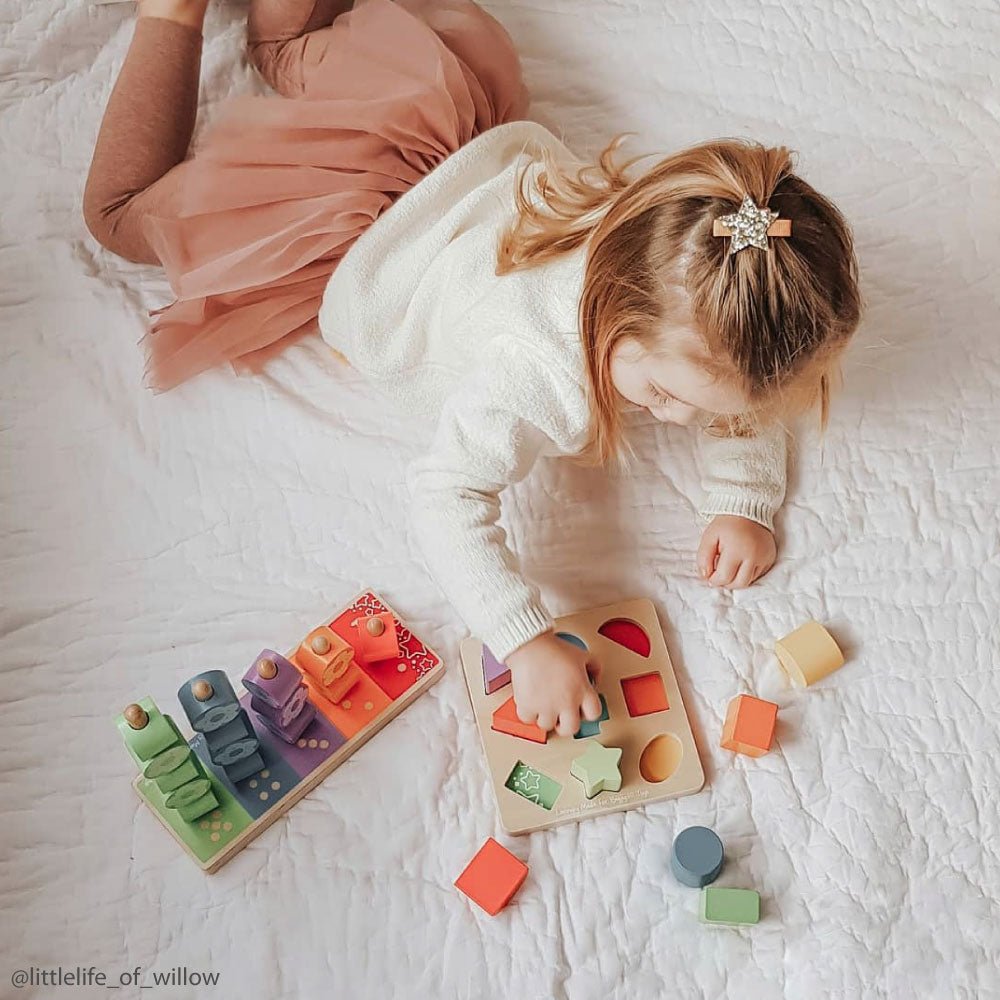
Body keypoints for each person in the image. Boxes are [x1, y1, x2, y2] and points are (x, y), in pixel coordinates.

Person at [83, 0, 861, 738]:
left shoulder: (680, 233)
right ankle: (171, 15)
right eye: (662, 394)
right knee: (119, 214)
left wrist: (741, 495)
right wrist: (523, 640)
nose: (683, 422)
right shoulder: (535, 374)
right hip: (345, 228)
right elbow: (446, 495)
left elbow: (743, 384)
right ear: (617, 319)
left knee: (288, 49)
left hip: (426, 120)